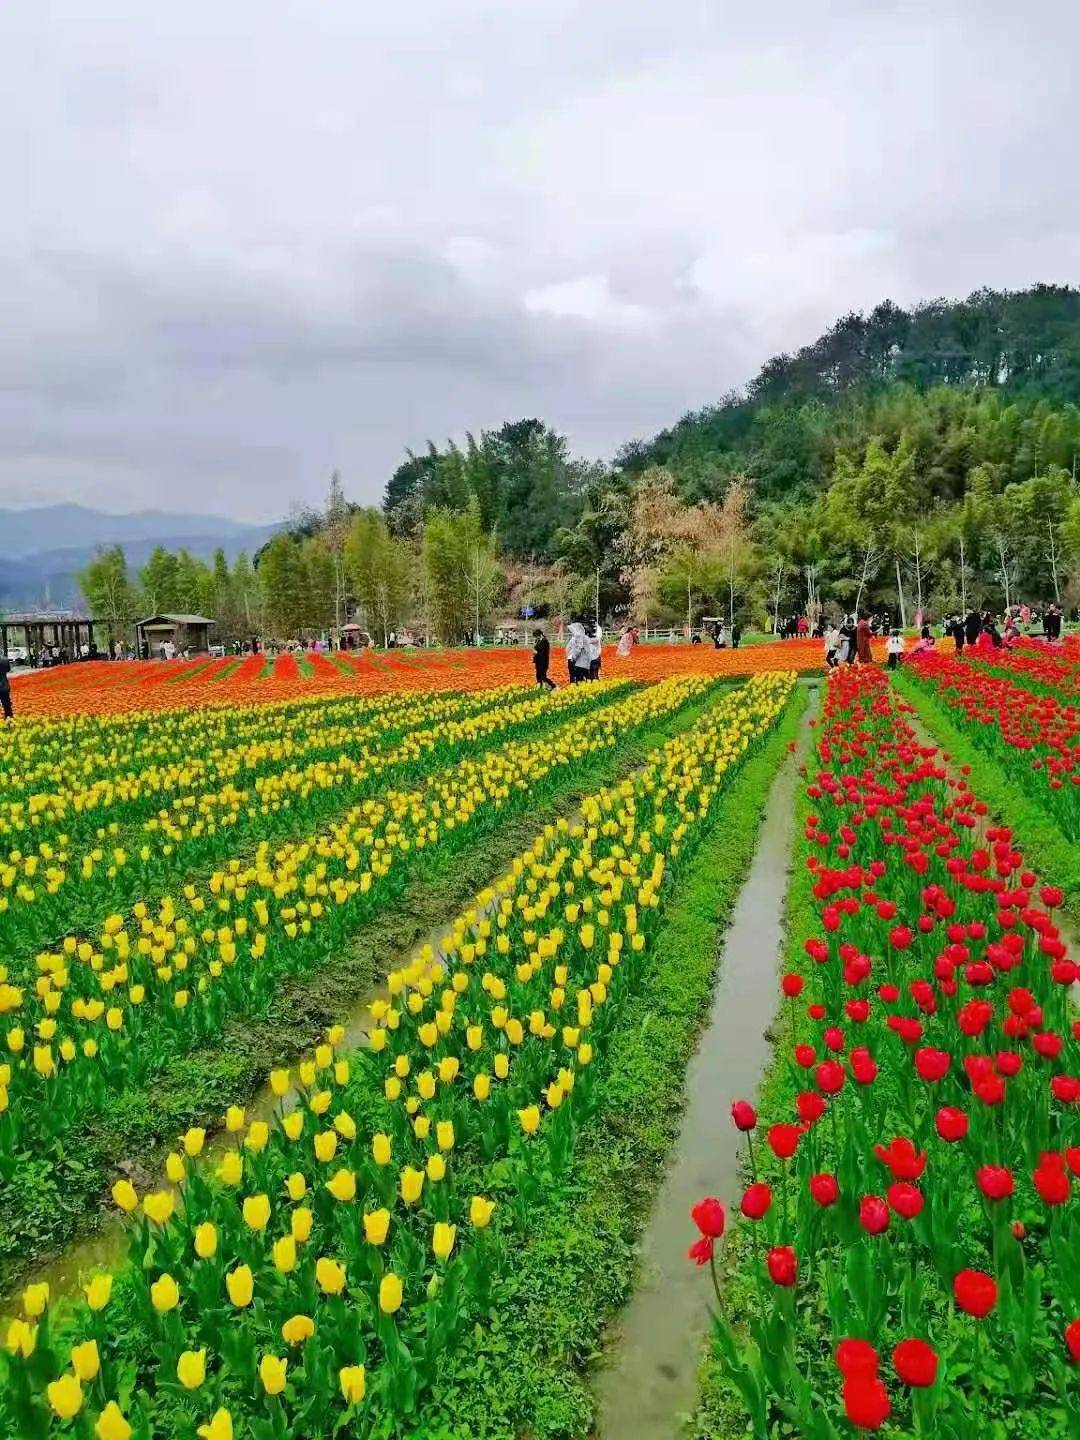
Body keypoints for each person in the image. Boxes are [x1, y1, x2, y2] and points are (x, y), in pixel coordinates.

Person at [565, 619, 588, 683]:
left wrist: (573, 657)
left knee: (578, 676)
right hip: (571, 658)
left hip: (575, 659)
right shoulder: (574, 637)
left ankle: (577, 688)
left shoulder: (579, 637)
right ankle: (574, 687)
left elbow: (579, 648)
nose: (571, 630)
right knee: (573, 675)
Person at [0, 653, 12, 720]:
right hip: (4, 685)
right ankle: (9, 719)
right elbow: (8, 670)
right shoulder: (5, 659)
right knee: (7, 704)